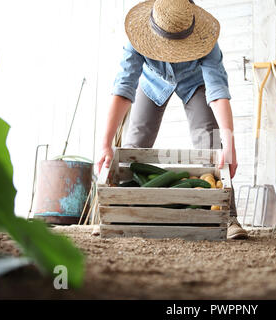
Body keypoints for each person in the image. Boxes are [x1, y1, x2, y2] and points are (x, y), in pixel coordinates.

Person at [96, 0, 248, 240]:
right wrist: (105, 142)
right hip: (152, 81)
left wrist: (229, 144)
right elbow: (123, 88)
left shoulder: (206, 41)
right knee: (134, 143)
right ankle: (118, 213)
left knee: (211, 139)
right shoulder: (136, 39)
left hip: (194, 82)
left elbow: (218, 92)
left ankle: (228, 217)